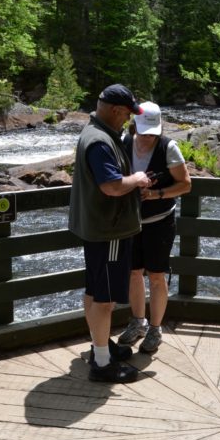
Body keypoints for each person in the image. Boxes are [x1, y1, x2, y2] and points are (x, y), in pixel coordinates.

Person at [69, 84, 153, 383]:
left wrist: (131, 189)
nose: (130, 121)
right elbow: (112, 186)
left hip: (98, 229)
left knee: (94, 292)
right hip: (109, 234)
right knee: (104, 300)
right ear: (116, 110)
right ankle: (102, 364)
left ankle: (100, 348)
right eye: (128, 114)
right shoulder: (101, 141)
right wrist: (137, 179)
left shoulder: (97, 134)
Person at [117, 102, 191, 353]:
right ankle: (138, 322)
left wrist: (156, 193)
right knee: (133, 273)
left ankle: (155, 329)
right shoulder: (125, 142)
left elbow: (185, 184)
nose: (148, 136)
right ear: (134, 124)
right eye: (144, 130)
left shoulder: (168, 147)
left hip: (160, 222)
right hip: (131, 222)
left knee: (157, 276)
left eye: (152, 131)